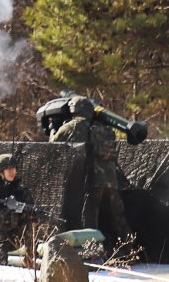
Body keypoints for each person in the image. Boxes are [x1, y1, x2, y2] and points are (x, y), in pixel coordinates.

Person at [49, 96, 132, 253]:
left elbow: (52, 145)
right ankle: (129, 249)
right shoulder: (103, 128)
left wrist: (53, 127)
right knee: (117, 216)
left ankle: (91, 251)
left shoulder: (72, 126)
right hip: (110, 180)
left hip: (90, 180)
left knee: (89, 219)